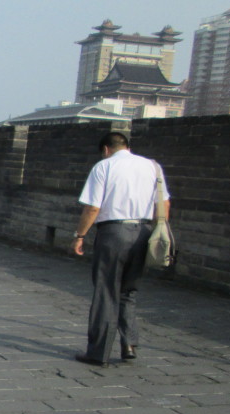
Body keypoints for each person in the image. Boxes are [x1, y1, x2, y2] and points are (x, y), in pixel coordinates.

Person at [72, 131, 170, 367]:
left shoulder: (103, 167)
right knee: (128, 291)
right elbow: (164, 203)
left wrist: (80, 235)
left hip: (114, 232)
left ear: (106, 149)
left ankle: (98, 352)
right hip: (145, 231)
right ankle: (129, 344)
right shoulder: (153, 167)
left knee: (106, 291)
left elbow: (92, 208)